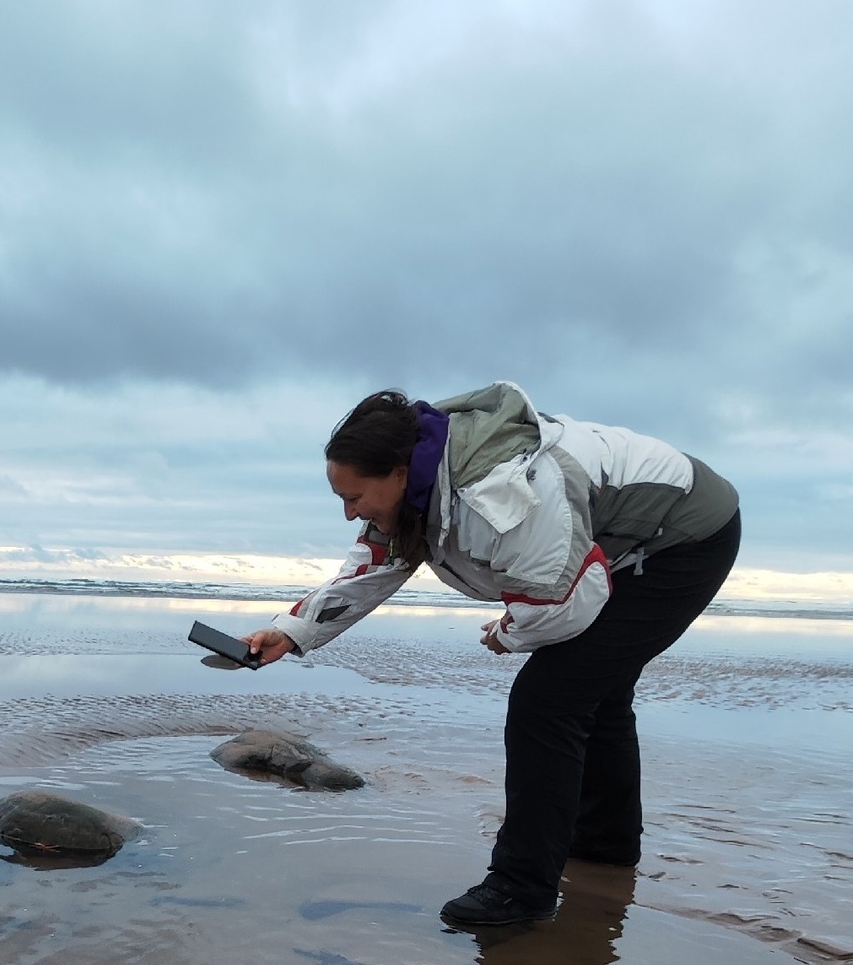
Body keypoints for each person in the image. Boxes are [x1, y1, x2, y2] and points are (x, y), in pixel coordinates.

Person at [244, 382, 740, 929]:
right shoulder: (421, 485)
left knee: (548, 701)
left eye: (354, 498)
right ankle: (603, 848)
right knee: (594, 692)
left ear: (400, 472)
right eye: (342, 498)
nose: (349, 513)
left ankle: (521, 887)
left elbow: (561, 600)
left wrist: (509, 632)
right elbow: (376, 564)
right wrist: (290, 632)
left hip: (683, 539)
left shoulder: (499, 492)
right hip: (617, 545)